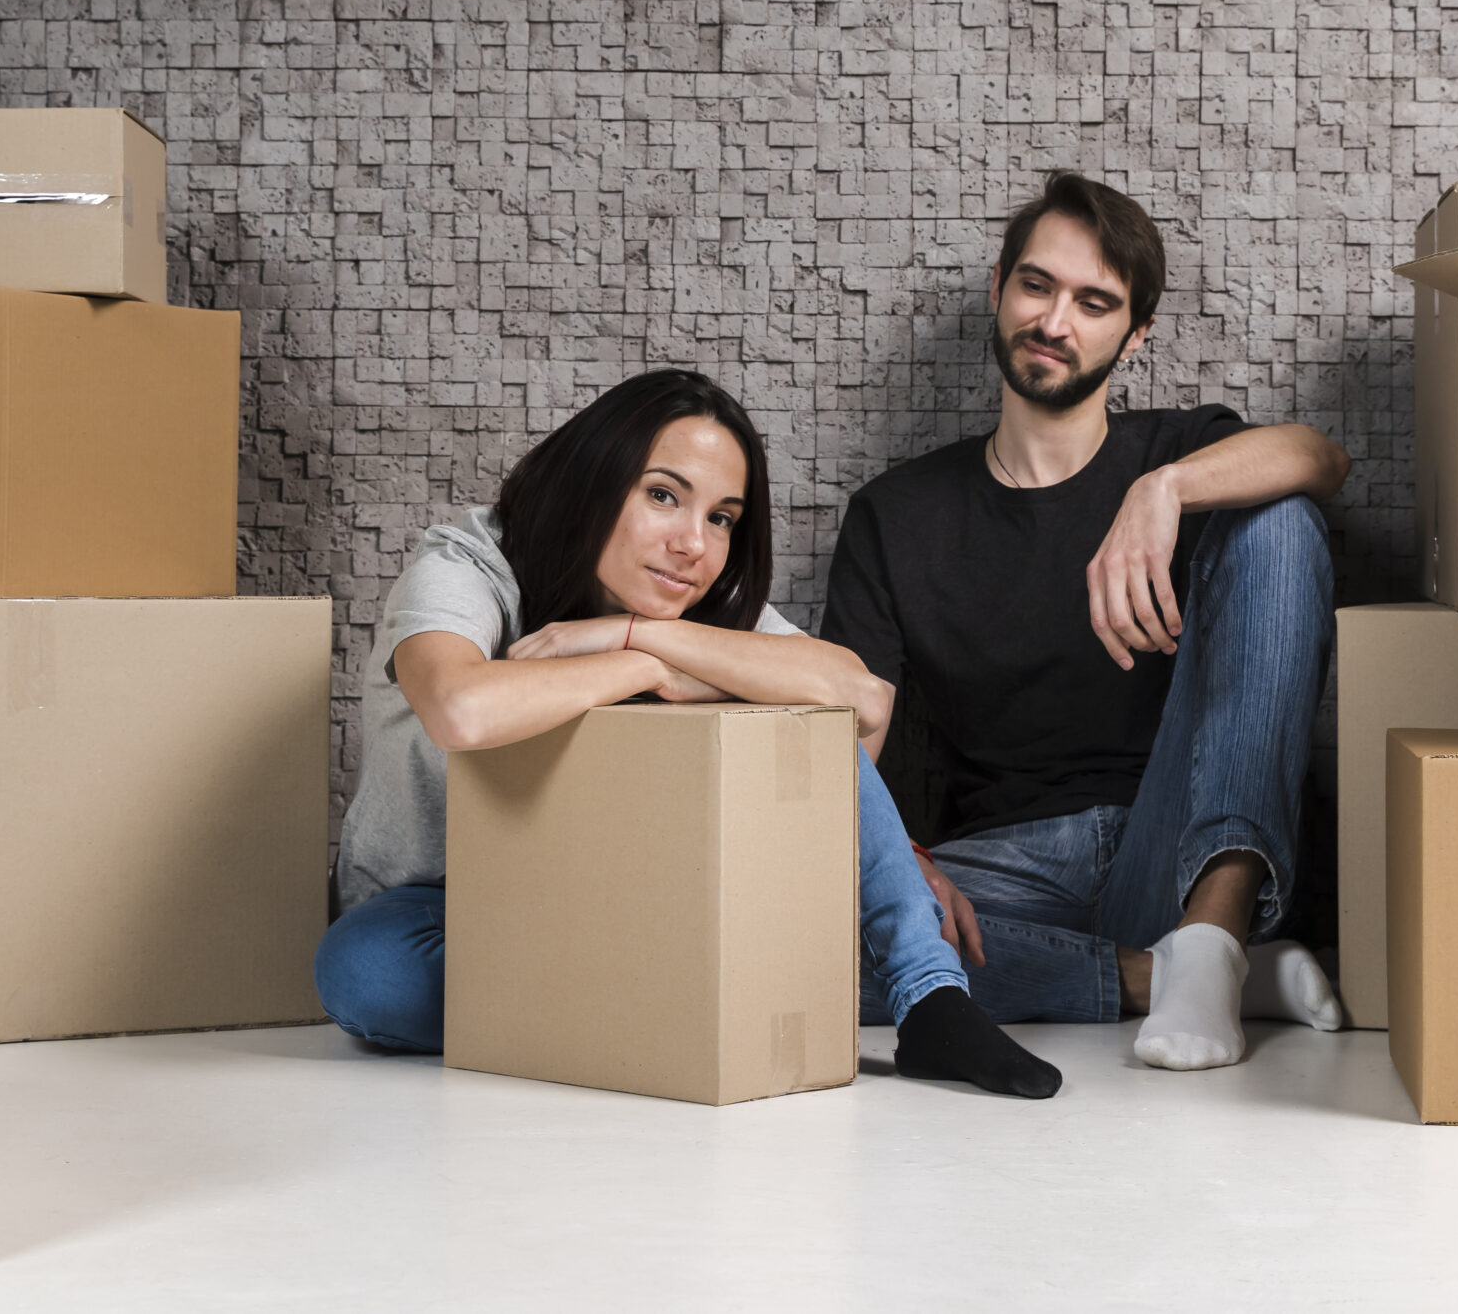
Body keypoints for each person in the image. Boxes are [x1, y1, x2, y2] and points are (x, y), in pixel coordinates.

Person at [316, 368, 1062, 1099]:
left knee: (806, 715)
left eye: (721, 517)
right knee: (362, 972)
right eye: (663, 495)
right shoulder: (470, 562)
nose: (693, 545)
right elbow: (461, 710)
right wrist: (638, 665)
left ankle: (930, 996)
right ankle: (682, 999)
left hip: (625, 898)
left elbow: (863, 700)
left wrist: (638, 634)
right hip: (440, 912)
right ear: (593, 479)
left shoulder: (685, 610)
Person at [821, 172, 1349, 1072]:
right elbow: (845, 737)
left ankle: (1214, 934)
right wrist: (900, 858)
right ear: (998, 290)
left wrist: (1166, 489)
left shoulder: (1173, 452)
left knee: (1280, 515)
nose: (1055, 322)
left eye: (1094, 302)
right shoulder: (895, 513)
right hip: (1003, 873)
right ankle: (1170, 977)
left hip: (1176, 841)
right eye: (1037, 285)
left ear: (1134, 333)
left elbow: (1320, 456)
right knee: (797, 941)